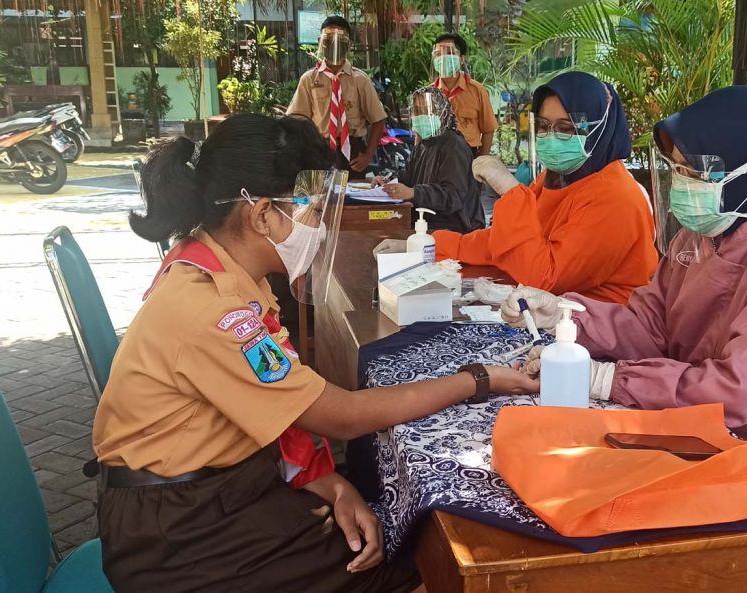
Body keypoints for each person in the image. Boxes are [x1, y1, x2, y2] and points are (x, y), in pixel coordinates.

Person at [93, 113, 538, 593]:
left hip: (218, 481)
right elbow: (342, 416)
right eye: (308, 208)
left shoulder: (223, 270)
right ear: (261, 213)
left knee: (379, 508)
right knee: (408, 568)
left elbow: (270, 408)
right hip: (178, 532)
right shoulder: (213, 310)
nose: (320, 226)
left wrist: (330, 483)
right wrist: (478, 379)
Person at [504, 86, 747, 529]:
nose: (682, 184)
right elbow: (650, 325)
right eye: (679, 169)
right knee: (553, 467)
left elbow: (737, 392)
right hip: (721, 434)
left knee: (619, 518)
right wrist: (567, 315)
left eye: (698, 173)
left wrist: (609, 378)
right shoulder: (702, 233)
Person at [429, 72, 658, 305]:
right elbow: (509, 241)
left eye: (566, 128)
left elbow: (545, 278)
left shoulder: (617, 198)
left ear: (599, 130)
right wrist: (432, 246)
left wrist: (512, 192)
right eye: (543, 126)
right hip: (549, 311)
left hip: (598, 327)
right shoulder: (556, 178)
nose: (551, 137)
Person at [371, 85, 485, 233]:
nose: (421, 116)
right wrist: (387, 183)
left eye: (428, 110)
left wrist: (414, 193)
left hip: (455, 227)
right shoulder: (424, 145)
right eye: (417, 111)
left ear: (442, 113)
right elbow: (406, 177)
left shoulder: (453, 146)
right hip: (427, 222)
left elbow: (452, 195)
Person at [287, 15, 386, 178]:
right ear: (320, 41)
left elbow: (378, 119)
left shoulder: (360, 80)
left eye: (339, 41)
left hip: (353, 150)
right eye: (328, 40)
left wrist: (368, 155)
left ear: (349, 45)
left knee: (353, 198)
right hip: (320, 149)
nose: (333, 45)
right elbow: (297, 119)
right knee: (321, 199)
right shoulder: (309, 79)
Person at [432, 33, 498, 157]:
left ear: (462, 59)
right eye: (438, 54)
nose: (443, 58)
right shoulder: (428, 94)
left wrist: (479, 163)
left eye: (450, 53)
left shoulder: (477, 91)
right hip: (435, 159)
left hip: (468, 157)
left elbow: (488, 130)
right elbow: (419, 135)